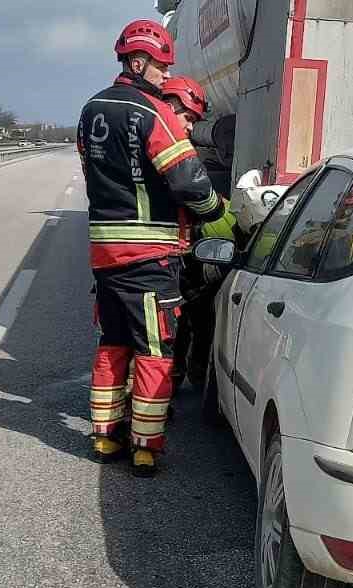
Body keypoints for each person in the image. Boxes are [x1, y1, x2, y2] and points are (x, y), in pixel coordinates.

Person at [78, 20, 236, 476]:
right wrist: (214, 209)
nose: (166, 76)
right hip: (149, 255)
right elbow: (188, 179)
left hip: (104, 253)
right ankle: (145, 444)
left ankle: (106, 435)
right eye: (163, 67)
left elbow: (96, 176)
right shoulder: (153, 114)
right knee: (154, 350)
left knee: (112, 343)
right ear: (140, 61)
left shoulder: (90, 111)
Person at [158, 75, 231, 388]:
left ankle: (176, 375)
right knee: (189, 317)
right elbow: (201, 203)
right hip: (167, 259)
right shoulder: (171, 155)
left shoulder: (162, 149)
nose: (189, 128)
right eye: (187, 119)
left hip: (172, 257)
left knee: (188, 317)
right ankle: (182, 376)